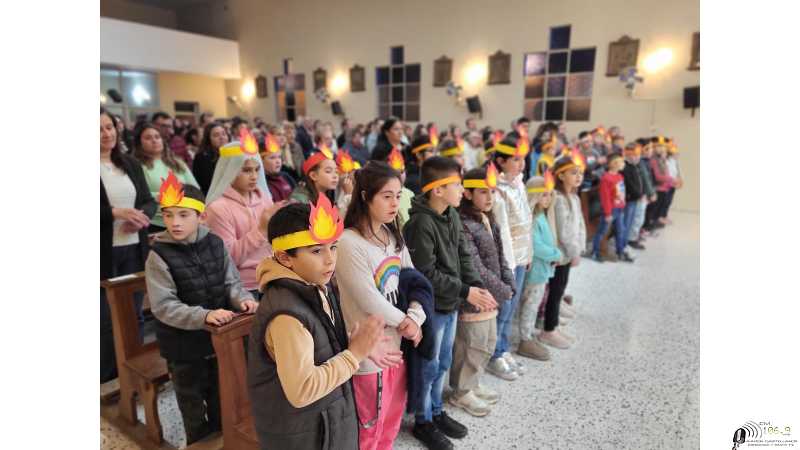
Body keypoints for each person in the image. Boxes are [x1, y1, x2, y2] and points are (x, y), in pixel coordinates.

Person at [247, 199, 387, 450]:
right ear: (284, 257)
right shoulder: (286, 315)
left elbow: (321, 342)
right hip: (304, 434)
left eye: (333, 247)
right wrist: (354, 354)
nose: (329, 260)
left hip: (326, 420)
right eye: (316, 251)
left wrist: (354, 345)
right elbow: (302, 390)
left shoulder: (314, 284)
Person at [145, 176, 258, 444]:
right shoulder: (158, 255)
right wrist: (204, 315)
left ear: (202, 216)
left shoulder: (215, 244)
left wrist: (242, 299)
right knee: (192, 405)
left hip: (219, 342)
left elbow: (231, 282)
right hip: (183, 348)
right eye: (168, 215)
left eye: (183, 215)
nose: (175, 222)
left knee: (224, 400)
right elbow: (163, 306)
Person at [403, 156, 496, 450]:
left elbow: (464, 254)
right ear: (437, 190)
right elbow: (425, 273)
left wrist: (475, 286)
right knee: (428, 364)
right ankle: (423, 421)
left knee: (443, 361)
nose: (461, 188)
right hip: (431, 308)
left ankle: (437, 410)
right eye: (456, 183)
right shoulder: (420, 223)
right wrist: (465, 291)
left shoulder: (450, 214)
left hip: (450, 302)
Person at [337, 162, 426, 450]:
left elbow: (413, 280)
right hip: (368, 351)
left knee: (391, 417)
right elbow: (369, 299)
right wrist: (408, 323)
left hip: (397, 344)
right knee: (368, 425)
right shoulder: (349, 242)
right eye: (387, 196)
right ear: (365, 196)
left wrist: (416, 316)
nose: (394, 203)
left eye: (398, 195)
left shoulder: (391, 235)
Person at [449, 165, 513, 417]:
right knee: (471, 345)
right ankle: (461, 392)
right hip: (476, 296)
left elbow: (500, 256)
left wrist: (508, 284)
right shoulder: (463, 223)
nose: (489, 198)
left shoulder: (488, 218)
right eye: (483, 192)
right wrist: (501, 290)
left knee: (487, 342)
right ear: (467, 193)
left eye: (493, 192)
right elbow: (475, 266)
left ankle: (473, 384)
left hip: (493, 296)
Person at [100, 108, 157, 383]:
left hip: (134, 246)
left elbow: (147, 200)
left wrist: (141, 217)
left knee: (134, 312)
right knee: (105, 317)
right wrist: (114, 213)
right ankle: (107, 374)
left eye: (109, 127)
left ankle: (134, 368)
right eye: (99, 129)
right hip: (103, 250)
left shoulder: (130, 164)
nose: (106, 133)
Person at [205, 136, 282, 299]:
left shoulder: (265, 199)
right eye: (246, 170)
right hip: (244, 288)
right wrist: (261, 230)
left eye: (256, 169)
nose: (254, 176)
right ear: (230, 171)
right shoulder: (218, 208)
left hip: (274, 277)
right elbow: (229, 258)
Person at [487, 134, 535, 380]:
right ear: (501, 161)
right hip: (507, 259)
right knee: (504, 307)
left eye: (523, 159)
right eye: (516, 159)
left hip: (521, 255)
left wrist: (529, 253)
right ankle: (494, 354)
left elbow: (527, 219)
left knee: (512, 308)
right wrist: (507, 263)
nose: (521, 164)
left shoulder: (519, 184)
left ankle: (503, 348)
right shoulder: (498, 191)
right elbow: (502, 230)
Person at [539, 155, 586, 350]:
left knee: (560, 290)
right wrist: (574, 252)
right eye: (573, 172)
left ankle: (554, 326)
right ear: (560, 175)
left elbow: (580, 224)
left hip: (569, 253)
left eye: (580, 173)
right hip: (559, 254)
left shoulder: (574, 197)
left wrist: (579, 248)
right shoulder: (557, 199)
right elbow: (564, 229)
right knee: (555, 291)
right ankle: (548, 330)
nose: (578, 176)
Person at [519, 173, 562, 360]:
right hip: (535, 271)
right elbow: (536, 246)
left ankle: (528, 335)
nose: (548, 198)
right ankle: (524, 339)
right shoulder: (533, 219)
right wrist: (556, 254)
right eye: (544, 194)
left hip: (543, 270)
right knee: (530, 306)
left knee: (534, 305)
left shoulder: (542, 216)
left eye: (550, 194)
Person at [133, 122, 199, 232]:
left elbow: (195, 189)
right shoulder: (137, 166)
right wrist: (164, 195)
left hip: (185, 219)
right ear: (139, 143)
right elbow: (138, 194)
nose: (154, 140)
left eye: (157, 137)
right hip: (155, 222)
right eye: (148, 138)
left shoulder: (177, 162)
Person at [591, 153, 634, 263]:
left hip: (619, 208)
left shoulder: (620, 176)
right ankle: (595, 252)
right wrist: (608, 213)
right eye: (621, 162)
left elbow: (621, 192)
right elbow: (605, 197)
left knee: (621, 230)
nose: (623, 164)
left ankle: (620, 251)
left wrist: (622, 204)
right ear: (614, 164)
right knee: (602, 231)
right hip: (610, 210)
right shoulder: (606, 178)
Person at [621, 143, 647, 250]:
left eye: (637, 155)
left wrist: (644, 193)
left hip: (638, 198)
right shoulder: (625, 168)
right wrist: (639, 195)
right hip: (631, 199)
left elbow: (641, 182)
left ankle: (630, 239)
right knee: (628, 221)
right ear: (626, 155)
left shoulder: (636, 166)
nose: (635, 157)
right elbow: (630, 185)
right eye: (632, 155)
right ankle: (624, 242)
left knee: (635, 220)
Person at [262, 132, 296, 202]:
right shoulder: (261, 183)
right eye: (272, 158)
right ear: (261, 161)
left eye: (279, 157)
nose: (278, 161)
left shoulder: (286, 177)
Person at [649, 137, 675, 230]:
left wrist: (670, 180)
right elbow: (658, 176)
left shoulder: (661, 158)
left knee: (660, 207)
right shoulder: (654, 160)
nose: (662, 149)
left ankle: (656, 223)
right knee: (654, 209)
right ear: (654, 147)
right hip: (658, 188)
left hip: (664, 187)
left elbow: (666, 171)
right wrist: (670, 179)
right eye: (659, 147)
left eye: (663, 147)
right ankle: (651, 225)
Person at [662, 139, 683, 225]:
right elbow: (666, 172)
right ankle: (662, 217)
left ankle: (665, 216)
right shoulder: (666, 160)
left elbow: (677, 170)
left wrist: (680, 179)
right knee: (665, 201)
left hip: (673, 183)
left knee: (669, 201)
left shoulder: (674, 160)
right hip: (667, 183)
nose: (676, 153)